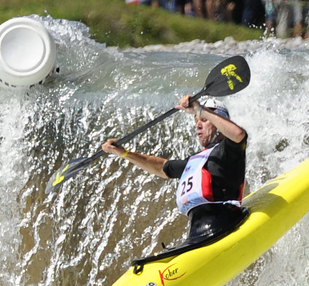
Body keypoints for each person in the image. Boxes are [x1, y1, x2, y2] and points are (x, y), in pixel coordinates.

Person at [101, 95, 248, 243]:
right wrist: (124, 153)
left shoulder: (228, 150)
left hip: (227, 224)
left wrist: (200, 109)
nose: (197, 126)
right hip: (196, 236)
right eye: (196, 121)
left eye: (204, 120)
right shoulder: (196, 161)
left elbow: (239, 134)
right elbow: (162, 167)